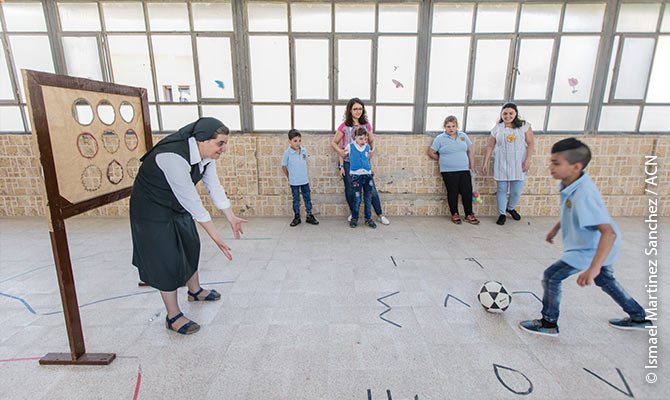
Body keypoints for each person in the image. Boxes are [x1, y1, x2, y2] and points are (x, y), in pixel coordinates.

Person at [519, 138, 651, 336]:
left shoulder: (584, 195)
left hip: (591, 250)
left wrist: (593, 267)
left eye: (556, 163)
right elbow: (569, 210)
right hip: (593, 247)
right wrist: (556, 229)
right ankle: (638, 317)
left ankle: (549, 323)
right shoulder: (570, 183)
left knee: (551, 277)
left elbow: (609, 233)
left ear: (575, 167)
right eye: (551, 161)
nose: (550, 167)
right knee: (605, 280)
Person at [130, 117, 247, 335]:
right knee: (167, 258)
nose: (224, 149)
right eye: (220, 143)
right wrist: (215, 236)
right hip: (151, 209)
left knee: (190, 244)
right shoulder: (172, 156)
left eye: (225, 143)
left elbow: (214, 186)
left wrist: (231, 217)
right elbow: (191, 200)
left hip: (175, 204)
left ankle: (195, 291)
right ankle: (173, 316)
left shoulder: (205, 157)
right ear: (202, 140)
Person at [331, 98, 390, 225]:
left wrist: (373, 150)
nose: (358, 111)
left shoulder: (366, 125)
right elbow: (334, 142)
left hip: (364, 164)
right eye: (355, 109)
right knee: (350, 190)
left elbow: (372, 141)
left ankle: (380, 214)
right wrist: (340, 156)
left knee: (371, 190)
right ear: (350, 110)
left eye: (360, 108)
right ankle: (354, 214)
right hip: (348, 163)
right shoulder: (344, 126)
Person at [482, 102, 534, 225]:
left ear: (516, 114)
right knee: (501, 190)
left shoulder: (524, 126)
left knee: (516, 191)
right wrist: (485, 162)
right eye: (505, 113)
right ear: (501, 114)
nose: (508, 116)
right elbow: (490, 146)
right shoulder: (497, 129)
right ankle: (502, 213)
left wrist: (527, 160)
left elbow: (531, 143)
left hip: (518, 164)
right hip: (501, 163)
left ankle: (510, 208)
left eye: (511, 113)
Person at [427, 115, 480, 225]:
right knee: (453, 192)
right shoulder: (440, 139)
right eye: (448, 126)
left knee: (467, 192)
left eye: (453, 126)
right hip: (448, 171)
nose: (451, 128)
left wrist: (472, 166)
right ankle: (454, 213)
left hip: (464, 169)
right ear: (444, 127)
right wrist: (442, 159)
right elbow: (431, 152)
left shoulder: (463, 136)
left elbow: (470, 151)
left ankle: (469, 214)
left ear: (457, 126)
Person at [281, 129, 319, 227]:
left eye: (299, 140)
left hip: (304, 180)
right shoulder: (287, 153)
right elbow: (284, 166)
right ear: (289, 141)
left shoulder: (303, 150)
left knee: (307, 198)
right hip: (294, 181)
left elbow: (304, 161)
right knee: (296, 199)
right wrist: (289, 176)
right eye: (295, 141)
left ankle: (309, 215)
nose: (298, 143)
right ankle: (297, 217)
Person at [342, 128, 376, 228]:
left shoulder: (367, 147)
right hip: (356, 176)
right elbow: (342, 155)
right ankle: (354, 218)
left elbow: (368, 159)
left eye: (365, 139)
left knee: (368, 198)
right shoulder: (350, 146)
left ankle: (368, 219)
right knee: (357, 198)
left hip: (367, 175)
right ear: (355, 137)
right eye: (361, 139)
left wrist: (371, 170)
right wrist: (341, 167)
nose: (363, 141)